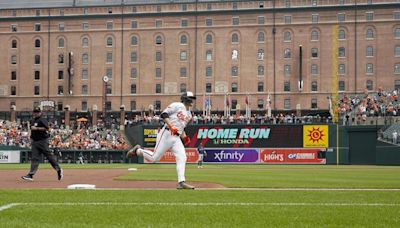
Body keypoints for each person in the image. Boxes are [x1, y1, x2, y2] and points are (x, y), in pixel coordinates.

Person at [126, 91, 196, 189]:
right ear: (186, 99)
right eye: (191, 98)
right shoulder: (177, 105)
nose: (193, 100)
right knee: (154, 158)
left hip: (176, 138)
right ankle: (138, 150)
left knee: (182, 157)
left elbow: (181, 127)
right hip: (166, 134)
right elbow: (164, 114)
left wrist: (184, 137)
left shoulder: (189, 115)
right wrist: (171, 126)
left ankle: (181, 182)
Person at [21, 107, 63, 181]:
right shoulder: (33, 120)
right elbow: (32, 130)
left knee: (49, 156)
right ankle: (30, 175)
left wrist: (37, 128)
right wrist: (31, 137)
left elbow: (47, 128)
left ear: (40, 113)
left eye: (37, 112)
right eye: (35, 112)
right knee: (34, 158)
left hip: (42, 141)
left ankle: (58, 169)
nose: (36, 113)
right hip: (35, 141)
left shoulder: (42, 119)